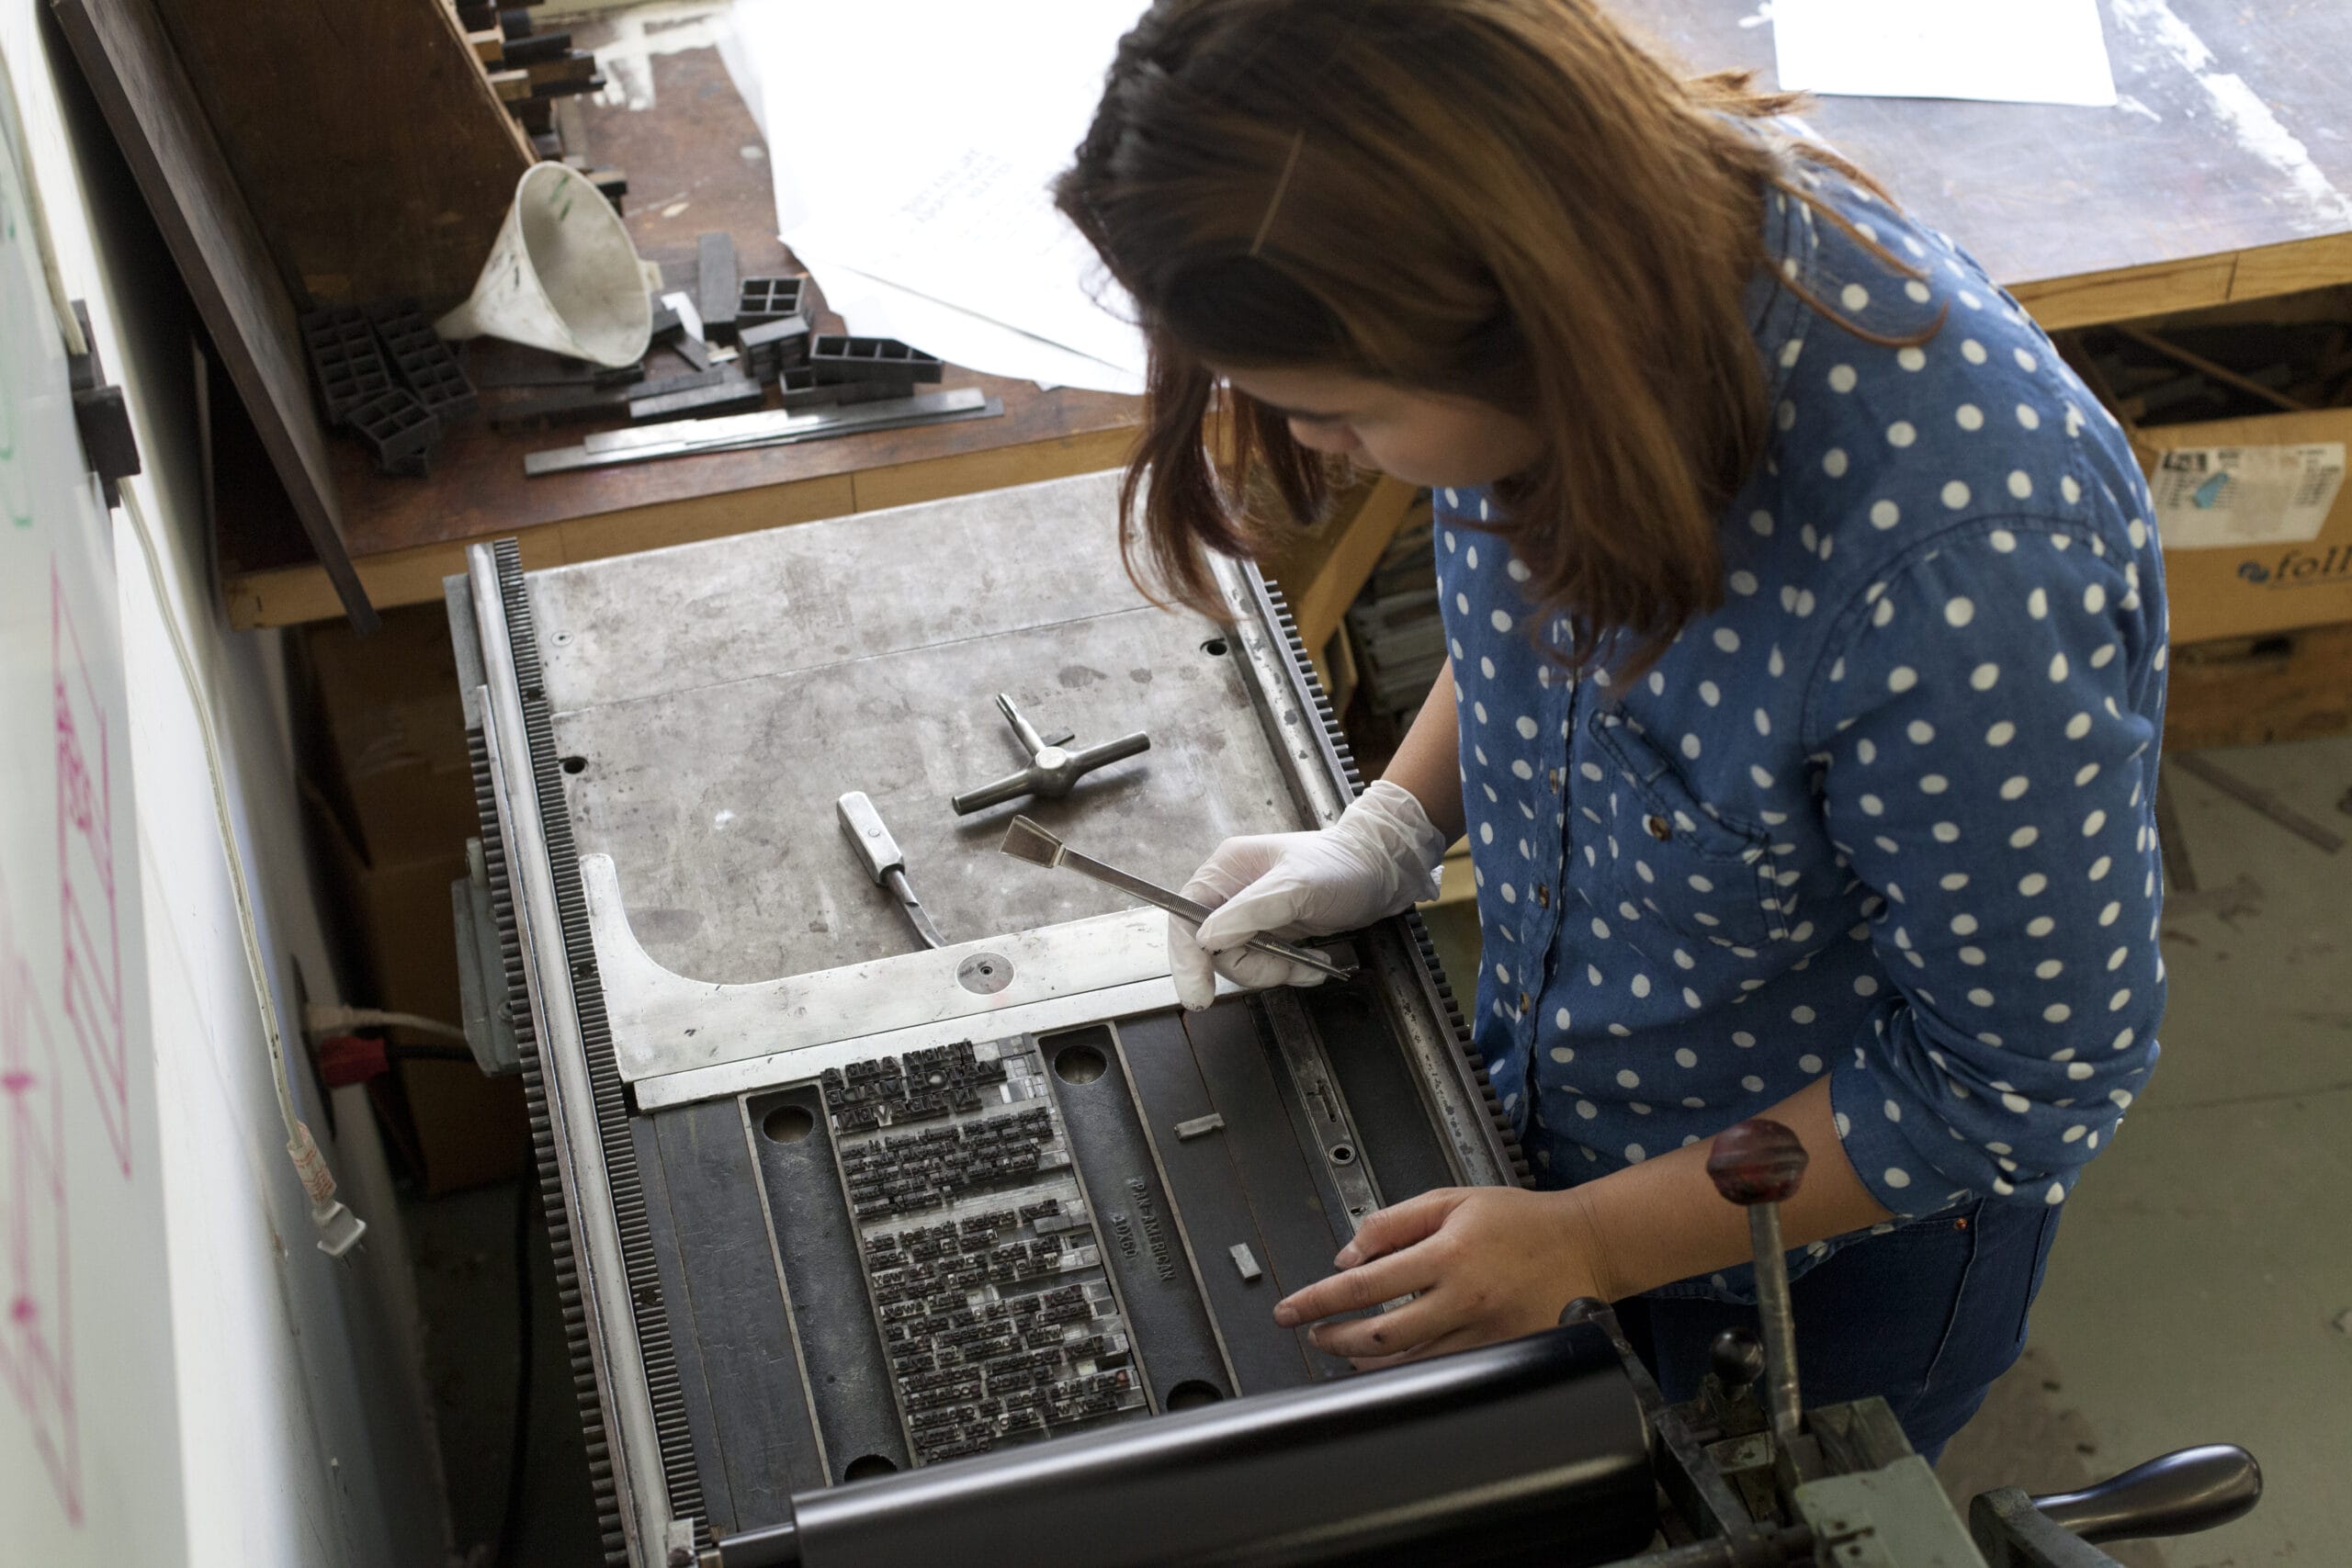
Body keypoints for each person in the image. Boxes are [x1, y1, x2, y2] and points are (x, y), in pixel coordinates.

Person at [1055, 0, 2165, 1461]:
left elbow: (2023, 1082)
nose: (1320, 445)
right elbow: (1552, 618)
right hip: (1564, 1117)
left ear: (1521, 321)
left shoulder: (1957, 569)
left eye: (1346, 416)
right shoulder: (1561, 302)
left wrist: (1587, 1241)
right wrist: (1392, 825)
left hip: (1825, 1266)